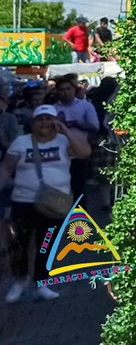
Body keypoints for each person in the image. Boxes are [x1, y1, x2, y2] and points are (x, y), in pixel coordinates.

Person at [0, 104, 91, 302]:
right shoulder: (21, 142)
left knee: (46, 245)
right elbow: (7, 167)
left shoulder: (63, 141)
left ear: (55, 121)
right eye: (40, 119)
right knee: (20, 244)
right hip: (23, 202)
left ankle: (42, 282)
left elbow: (84, 152)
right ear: (33, 123)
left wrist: (65, 129)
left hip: (54, 204)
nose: (45, 123)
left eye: (49, 119)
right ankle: (19, 281)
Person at [50, 75, 98, 205]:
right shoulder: (53, 108)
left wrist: (75, 124)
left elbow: (94, 127)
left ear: (74, 90)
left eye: (68, 89)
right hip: (58, 154)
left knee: (78, 188)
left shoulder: (85, 106)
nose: (65, 92)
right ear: (57, 91)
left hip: (78, 153)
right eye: (62, 89)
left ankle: (79, 220)